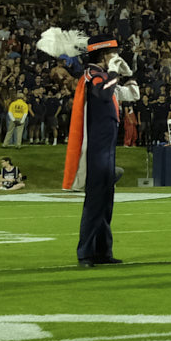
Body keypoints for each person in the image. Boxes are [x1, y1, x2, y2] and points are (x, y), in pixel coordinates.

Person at [52, 30, 137, 266]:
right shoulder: (92, 74)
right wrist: (113, 72)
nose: (116, 56)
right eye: (113, 52)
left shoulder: (102, 73)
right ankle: (86, 253)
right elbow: (103, 92)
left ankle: (102, 252)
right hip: (96, 147)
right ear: (103, 54)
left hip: (107, 146)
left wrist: (129, 75)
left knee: (105, 202)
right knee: (95, 202)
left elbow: (132, 94)